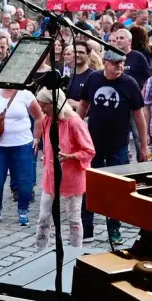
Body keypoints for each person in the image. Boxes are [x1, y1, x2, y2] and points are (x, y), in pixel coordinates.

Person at [77, 51, 148, 245]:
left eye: (122, 63)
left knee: (116, 190)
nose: (119, 67)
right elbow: (83, 105)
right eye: (115, 63)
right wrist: (77, 129)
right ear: (105, 63)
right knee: (89, 187)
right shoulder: (93, 79)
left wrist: (143, 143)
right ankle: (87, 228)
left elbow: (139, 116)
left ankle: (114, 228)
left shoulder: (129, 83)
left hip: (118, 146)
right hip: (93, 145)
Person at [33, 87, 93, 249]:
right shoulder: (47, 119)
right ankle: (40, 251)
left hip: (72, 176)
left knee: (73, 219)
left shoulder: (74, 122)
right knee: (43, 218)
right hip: (51, 175)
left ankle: (75, 253)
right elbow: (48, 143)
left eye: (43, 104)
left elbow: (89, 150)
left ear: (53, 104)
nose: (40, 107)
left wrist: (71, 156)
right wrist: (47, 155)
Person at [0, 84, 40, 226]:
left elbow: (39, 117)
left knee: (25, 181)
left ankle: (23, 211)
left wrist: (37, 137)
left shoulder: (25, 94)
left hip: (23, 144)